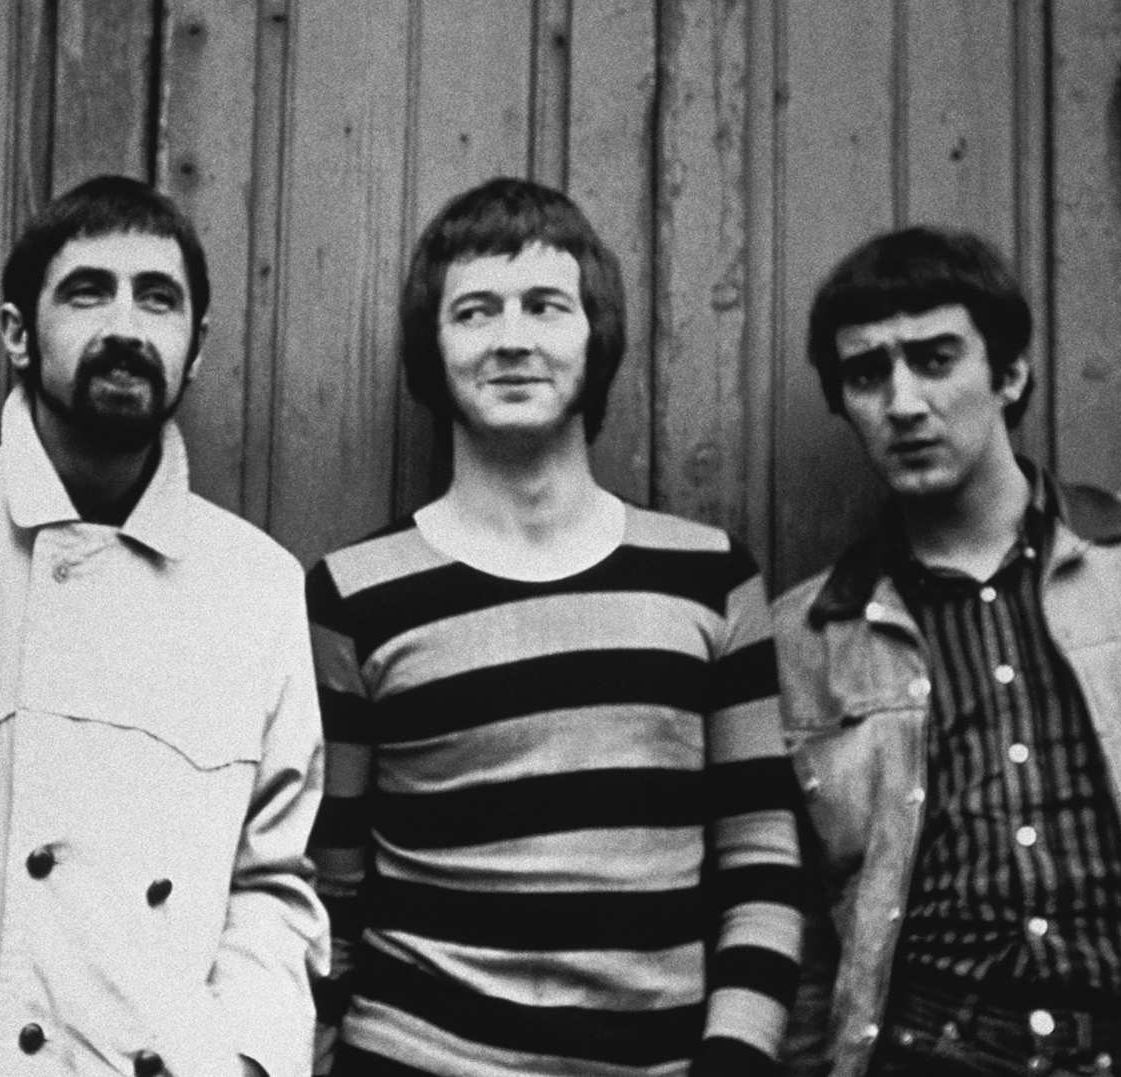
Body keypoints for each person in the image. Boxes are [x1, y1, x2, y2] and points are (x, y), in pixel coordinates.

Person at [0, 175, 329, 1077]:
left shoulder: (259, 585)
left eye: (158, 298)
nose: (125, 324)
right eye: (88, 290)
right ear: (16, 332)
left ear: (196, 349)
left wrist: (236, 1061)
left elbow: (275, 882)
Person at [306, 177, 804, 1077]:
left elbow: (762, 864)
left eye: (545, 305)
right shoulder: (355, 594)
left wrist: (735, 1062)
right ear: (434, 345)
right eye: (474, 311)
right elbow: (330, 891)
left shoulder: (709, 577)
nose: (511, 338)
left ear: (594, 334)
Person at [774, 227, 1121, 1077]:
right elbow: (804, 941)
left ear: (1009, 375)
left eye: (935, 359)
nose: (901, 401)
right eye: (867, 374)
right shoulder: (808, 637)